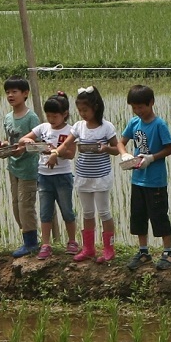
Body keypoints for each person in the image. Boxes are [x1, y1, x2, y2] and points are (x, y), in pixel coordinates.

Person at [53, 86, 118, 263]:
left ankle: (108, 249)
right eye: (79, 110)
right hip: (83, 175)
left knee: (104, 212)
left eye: (85, 110)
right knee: (87, 213)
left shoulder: (106, 127)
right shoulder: (78, 127)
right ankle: (88, 248)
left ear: (95, 108)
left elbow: (116, 149)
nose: (82, 114)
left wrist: (105, 148)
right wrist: (55, 153)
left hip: (101, 176)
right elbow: (66, 144)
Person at [118, 85, 171, 271]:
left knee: (159, 216)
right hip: (138, 179)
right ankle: (143, 252)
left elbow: (170, 148)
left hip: (155, 181)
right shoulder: (134, 123)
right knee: (138, 216)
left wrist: (151, 158)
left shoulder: (159, 124)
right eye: (134, 107)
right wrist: (125, 155)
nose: (138, 111)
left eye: (141, 107)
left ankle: (168, 252)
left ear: (151, 103)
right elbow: (121, 142)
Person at [19, 91, 78, 260]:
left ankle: (72, 241)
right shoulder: (43, 128)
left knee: (67, 210)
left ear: (64, 114)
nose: (51, 119)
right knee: (45, 212)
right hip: (43, 176)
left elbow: (71, 154)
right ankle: (46, 244)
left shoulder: (70, 131)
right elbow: (24, 139)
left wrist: (54, 152)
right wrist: (30, 141)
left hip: (62, 176)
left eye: (55, 116)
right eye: (49, 116)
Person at [0, 76, 40, 257]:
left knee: (26, 206)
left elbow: (38, 143)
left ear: (25, 94)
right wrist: (2, 145)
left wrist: (22, 148)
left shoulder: (32, 118)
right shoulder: (8, 117)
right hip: (13, 167)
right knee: (16, 205)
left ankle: (32, 243)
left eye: (14, 92)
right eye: (8, 92)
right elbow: (10, 140)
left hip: (28, 169)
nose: (10, 95)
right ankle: (26, 239)